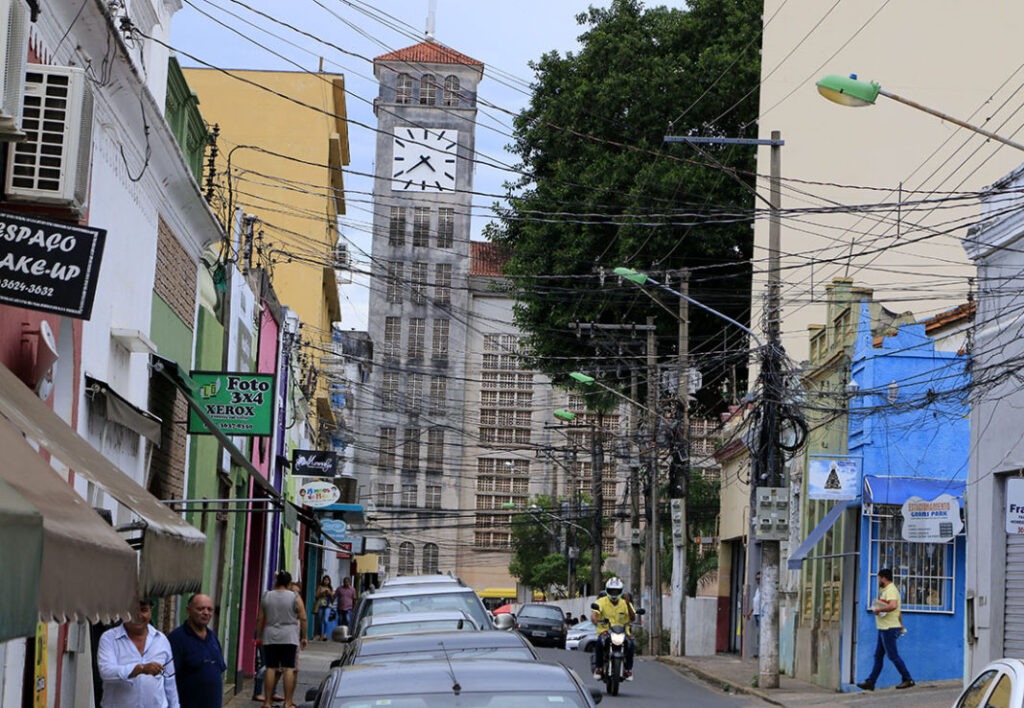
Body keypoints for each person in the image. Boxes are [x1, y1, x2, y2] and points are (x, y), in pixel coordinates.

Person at [96, 599, 180, 708]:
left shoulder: (162, 640)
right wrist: (140, 669)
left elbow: (170, 682)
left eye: (143, 610)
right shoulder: (109, 638)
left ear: (150, 611)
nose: (138, 616)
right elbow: (106, 672)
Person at [857, 568, 915, 691]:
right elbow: (898, 611)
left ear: (883, 578)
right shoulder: (886, 591)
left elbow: (893, 606)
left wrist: (879, 610)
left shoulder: (891, 590)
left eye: (879, 578)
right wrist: (901, 625)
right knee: (878, 656)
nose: (878, 580)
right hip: (884, 627)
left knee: (893, 655)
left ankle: (907, 678)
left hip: (889, 628)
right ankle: (871, 682)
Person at [256, 570, 307, 708]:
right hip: (289, 635)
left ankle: (267, 702)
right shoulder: (295, 597)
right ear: (289, 583)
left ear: (276, 581)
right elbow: (303, 617)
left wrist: (259, 636)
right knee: (288, 668)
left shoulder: (267, 596)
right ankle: (288, 702)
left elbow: (260, 617)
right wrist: (304, 637)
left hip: (270, 635)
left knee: (271, 668)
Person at [167, 593, 227, 707]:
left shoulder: (213, 638)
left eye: (209, 609)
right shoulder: (177, 639)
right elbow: (168, 678)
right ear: (188, 610)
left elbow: (219, 669)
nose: (206, 613)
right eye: (200, 609)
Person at [591, 577, 636, 681]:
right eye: (612, 591)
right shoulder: (601, 601)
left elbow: (633, 618)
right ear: (607, 590)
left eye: (616, 591)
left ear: (621, 591)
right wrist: (595, 619)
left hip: (623, 631)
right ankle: (599, 668)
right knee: (598, 643)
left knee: (631, 644)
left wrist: (628, 604)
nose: (614, 593)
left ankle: (628, 670)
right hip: (605, 631)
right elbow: (595, 614)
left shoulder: (625, 603)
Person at [745, 571, 764, 657]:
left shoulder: (764, 589)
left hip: (761, 614)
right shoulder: (758, 589)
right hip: (756, 614)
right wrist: (749, 613)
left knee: (762, 634)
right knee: (758, 633)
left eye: (759, 579)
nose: (757, 581)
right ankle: (758, 651)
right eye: (756, 579)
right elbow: (755, 602)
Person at [314, 575, 334, 640]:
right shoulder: (320, 587)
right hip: (321, 605)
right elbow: (316, 596)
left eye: (327, 580)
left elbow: (333, 599)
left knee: (325, 620)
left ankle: (325, 634)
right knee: (320, 620)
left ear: (329, 581)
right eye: (325, 580)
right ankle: (320, 634)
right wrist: (322, 593)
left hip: (328, 606)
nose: (326, 581)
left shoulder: (330, 588)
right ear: (323, 580)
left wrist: (330, 593)